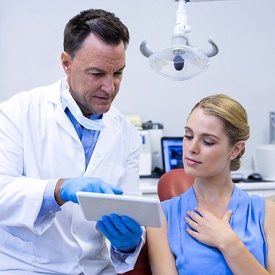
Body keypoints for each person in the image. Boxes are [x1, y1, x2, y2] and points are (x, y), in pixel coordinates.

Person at [0, 8, 145, 275]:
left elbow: (132, 209)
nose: (109, 88)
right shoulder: (18, 112)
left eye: (118, 74)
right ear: (66, 63)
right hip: (27, 267)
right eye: (97, 73)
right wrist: (58, 189)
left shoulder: (127, 134)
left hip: (95, 269)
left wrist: (128, 242)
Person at [147, 94, 275, 274]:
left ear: (235, 150)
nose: (192, 148)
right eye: (188, 135)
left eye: (207, 141)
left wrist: (230, 244)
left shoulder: (267, 213)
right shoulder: (161, 217)